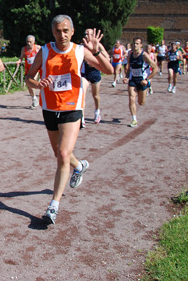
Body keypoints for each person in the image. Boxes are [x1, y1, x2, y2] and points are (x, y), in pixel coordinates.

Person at [25, 15, 113, 225]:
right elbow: (28, 77)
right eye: (57, 31)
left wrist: (97, 49)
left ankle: (53, 206)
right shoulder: (44, 51)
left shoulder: (80, 51)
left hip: (72, 108)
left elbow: (109, 70)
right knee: (59, 153)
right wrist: (37, 85)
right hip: (49, 108)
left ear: (72, 32)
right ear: (52, 32)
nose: (62, 35)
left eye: (66, 30)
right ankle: (79, 166)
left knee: (63, 153)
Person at [122, 37, 157, 127]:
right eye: (134, 43)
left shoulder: (144, 55)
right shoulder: (130, 55)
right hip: (133, 80)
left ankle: (147, 88)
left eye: (137, 43)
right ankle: (134, 119)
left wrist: (147, 79)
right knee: (131, 98)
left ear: (141, 45)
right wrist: (126, 77)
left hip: (142, 81)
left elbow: (155, 68)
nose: (135, 45)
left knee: (141, 102)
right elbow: (129, 68)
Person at [81, 28, 103, 124]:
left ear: (93, 35)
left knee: (95, 95)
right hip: (84, 72)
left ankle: (97, 112)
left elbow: (106, 58)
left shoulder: (98, 45)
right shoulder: (81, 46)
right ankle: (81, 117)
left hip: (95, 72)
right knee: (82, 95)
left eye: (88, 34)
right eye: (85, 34)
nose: (86, 36)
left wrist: (95, 59)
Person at [15, 35, 41, 109]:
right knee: (28, 84)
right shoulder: (24, 49)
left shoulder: (38, 48)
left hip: (36, 69)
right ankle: (34, 98)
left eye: (30, 42)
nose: (29, 43)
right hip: (28, 69)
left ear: (34, 42)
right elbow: (21, 57)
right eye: (27, 42)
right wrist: (18, 61)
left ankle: (38, 96)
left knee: (31, 81)